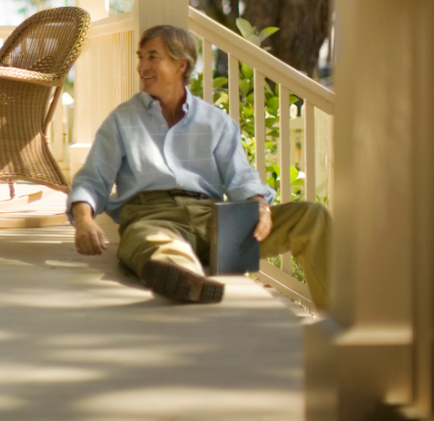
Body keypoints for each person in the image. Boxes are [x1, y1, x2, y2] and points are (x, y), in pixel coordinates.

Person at [68, 24, 331, 309]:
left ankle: (344, 321)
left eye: (152, 57)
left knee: (311, 216)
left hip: (215, 222)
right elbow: (92, 179)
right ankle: (185, 277)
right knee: (157, 243)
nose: (141, 65)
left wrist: (259, 206)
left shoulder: (216, 122)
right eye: (140, 56)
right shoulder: (122, 120)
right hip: (153, 217)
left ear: (180, 64)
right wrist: (84, 220)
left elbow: (242, 180)